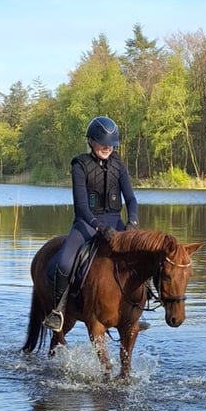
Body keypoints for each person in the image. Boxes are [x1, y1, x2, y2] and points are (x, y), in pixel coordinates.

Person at [42, 116, 140, 332]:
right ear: (91, 142)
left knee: (143, 254)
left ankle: (136, 308)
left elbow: (131, 199)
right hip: (86, 224)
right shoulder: (80, 165)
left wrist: (132, 222)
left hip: (116, 222)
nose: (107, 148)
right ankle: (58, 311)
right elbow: (81, 207)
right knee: (64, 264)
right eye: (103, 144)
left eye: (111, 145)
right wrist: (99, 227)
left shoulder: (119, 165)